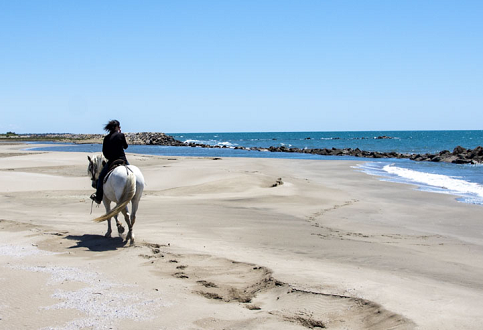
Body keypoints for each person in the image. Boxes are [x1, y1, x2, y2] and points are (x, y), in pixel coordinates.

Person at [90, 120, 129, 204]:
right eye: (119, 126)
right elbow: (125, 147)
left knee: (100, 178)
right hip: (123, 160)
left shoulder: (107, 138)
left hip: (112, 161)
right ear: (116, 127)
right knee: (132, 171)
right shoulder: (121, 135)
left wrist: (109, 158)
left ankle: (98, 197)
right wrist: (120, 134)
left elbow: (104, 152)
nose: (119, 128)